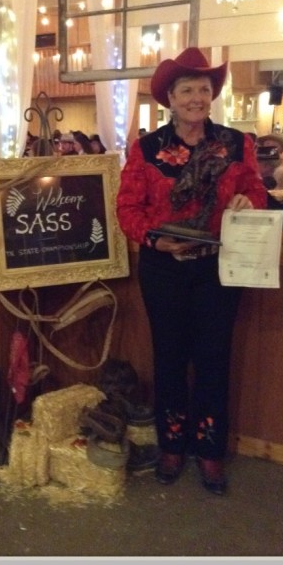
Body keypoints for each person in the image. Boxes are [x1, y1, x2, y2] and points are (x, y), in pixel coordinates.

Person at [116, 47, 267, 496]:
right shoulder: (146, 149)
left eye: (203, 89)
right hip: (164, 268)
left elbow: (258, 191)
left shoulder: (238, 143)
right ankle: (171, 445)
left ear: (212, 95)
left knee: (214, 358)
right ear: (171, 98)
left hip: (219, 267)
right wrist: (156, 240)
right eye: (187, 90)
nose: (196, 98)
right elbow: (127, 209)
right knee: (169, 357)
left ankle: (210, 449)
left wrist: (248, 201)